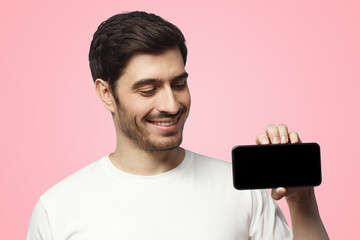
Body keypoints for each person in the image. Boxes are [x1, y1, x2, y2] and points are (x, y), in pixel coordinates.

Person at [26, 11, 329, 240]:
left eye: (179, 83)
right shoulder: (57, 209)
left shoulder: (241, 192)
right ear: (107, 94)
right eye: (148, 90)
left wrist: (302, 200)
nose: (171, 105)